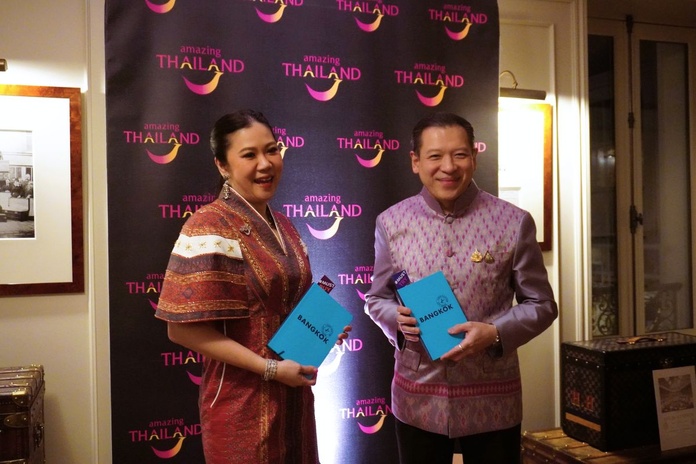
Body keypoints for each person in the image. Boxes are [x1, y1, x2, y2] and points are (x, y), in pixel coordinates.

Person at [156, 109, 349, 464]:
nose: (266, 163)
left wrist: (320, 330)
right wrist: (271, 369)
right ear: (222, 166)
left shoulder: (285, 226)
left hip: (294, 396)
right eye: (249, 155)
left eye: (272, 150)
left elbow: (284, 305)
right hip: (240, 404)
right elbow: (181, 332)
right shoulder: (208, 225)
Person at [364, 112, 558, 464]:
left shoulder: (513, 222)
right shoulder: (391, 222)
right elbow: (377, 297)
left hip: (493, 399)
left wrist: (495, 333)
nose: (448, 167)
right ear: (415, 161)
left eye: (459, 155)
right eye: (435, 156)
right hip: (417, 395)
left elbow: (542, 304)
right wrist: (396, 319)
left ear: (474, 157)